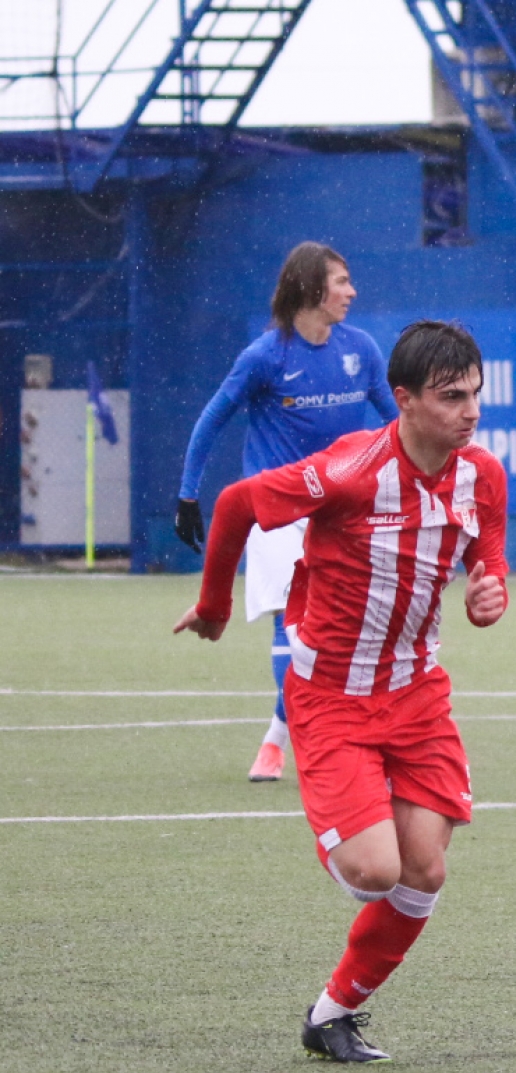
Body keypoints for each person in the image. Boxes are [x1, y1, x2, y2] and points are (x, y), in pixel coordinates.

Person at [172, 321, 508, 1064]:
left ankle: (331, 1015)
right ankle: (346, 816)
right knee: (376, 871)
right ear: (404, 400)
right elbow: (235, 504)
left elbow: (490, 564)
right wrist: (216, 605)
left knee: (425, 871)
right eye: (452, 397)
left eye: (475, 394)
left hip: (418, 695)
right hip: (330, 696)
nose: (471, 411)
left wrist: (492, 596)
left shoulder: (482, 475)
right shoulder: (351, 470)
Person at [174, 242, 402, 783]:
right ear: (311, 288)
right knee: (293, 628)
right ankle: (311, 745)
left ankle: (276, 737)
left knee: (337, 637)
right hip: (278, 511)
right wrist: (188, 495)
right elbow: (212, 419)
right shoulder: (265, 357)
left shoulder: (362, 350)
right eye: (341, 281)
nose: (352, 291)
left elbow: (398, 424)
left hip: (344, 510)